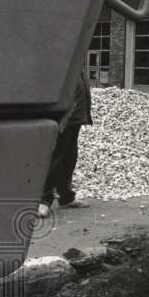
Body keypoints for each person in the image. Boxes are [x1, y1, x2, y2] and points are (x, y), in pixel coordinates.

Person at [38, 66, 92, 217]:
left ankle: (66, 197)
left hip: (75, 121)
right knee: (56, 160)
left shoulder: (79, 67)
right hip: (64, 122)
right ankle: (44, 201)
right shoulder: (66, 65)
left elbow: (82, 94)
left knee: (69, 160)